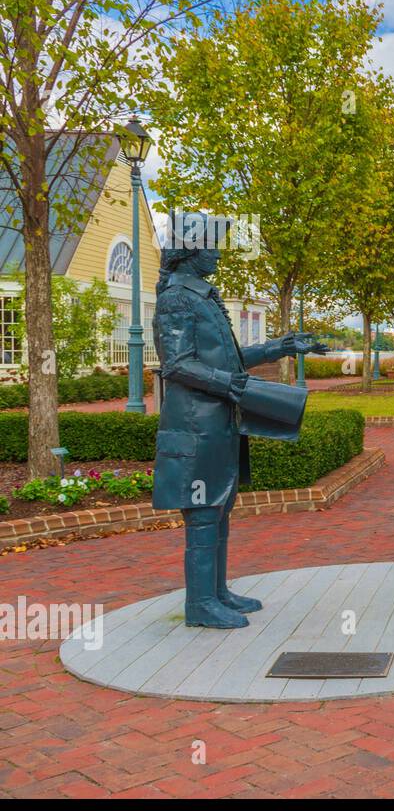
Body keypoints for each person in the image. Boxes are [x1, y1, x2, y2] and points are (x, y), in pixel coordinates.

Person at [152, 212, 324, 629]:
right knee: (204, 512)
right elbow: (176, 365)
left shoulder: (201, 295)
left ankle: (216, 591)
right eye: (210, 246)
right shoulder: (177, 298)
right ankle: (199, 605)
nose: (217, 254)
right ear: (190, 251)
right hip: (195, 427)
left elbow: (228, 360)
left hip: (218, 424)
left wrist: (277, 348)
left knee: (220, 506)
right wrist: (230, 386)